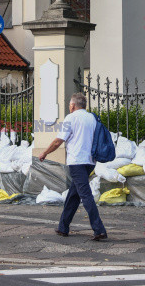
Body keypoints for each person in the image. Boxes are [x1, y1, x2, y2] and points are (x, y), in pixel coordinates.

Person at [39, 93, 107, 241]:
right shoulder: (92, 118)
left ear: (72, 105)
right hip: (90, 162)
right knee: (73, 195)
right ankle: (63, 227)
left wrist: (44, 152)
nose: (69, 106)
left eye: (70, 104)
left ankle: (99, 229)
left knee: (85, 195)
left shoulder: (71, 118)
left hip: (76, 161)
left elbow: (58, 141)